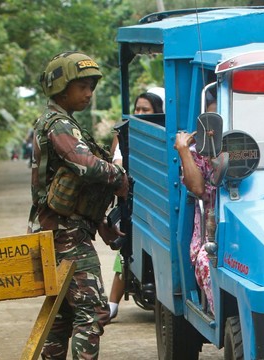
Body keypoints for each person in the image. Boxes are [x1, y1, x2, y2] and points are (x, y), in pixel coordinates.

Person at [28, 51, 128, 360]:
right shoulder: (58, 124)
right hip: (64, 233)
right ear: (60, 87)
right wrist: (120, 177)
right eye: (81, 86)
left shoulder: (62, 123)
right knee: (92, 310)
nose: (88, 93)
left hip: (61, 230)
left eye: (91, 87)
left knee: (62, 316)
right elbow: (86, 166)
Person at [107, 89, 164, 321]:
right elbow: (118, 163)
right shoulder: (125, 134)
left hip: (153, 201)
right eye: (138, 109)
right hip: (131, 201)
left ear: (157, 113)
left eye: (145, 110)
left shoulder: (160, 136)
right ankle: (111, 304)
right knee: (124, 250)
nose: (139, 113)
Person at [174, 129, 216, 314]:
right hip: (213, 236)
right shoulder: (199, 153)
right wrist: (184, 149)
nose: (215, 130)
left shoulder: (247, 148)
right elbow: (198, 188)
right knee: (206, 262)